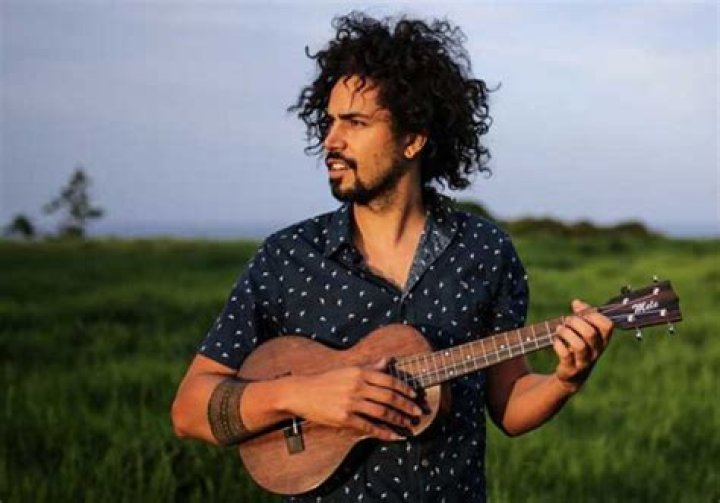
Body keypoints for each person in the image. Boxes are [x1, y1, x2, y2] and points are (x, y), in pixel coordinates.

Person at [171, 12, 613, 502]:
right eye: (329, 121)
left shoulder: (485, 251)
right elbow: (189, 410)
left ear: (413, 138)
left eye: (355, 123)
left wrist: (566, 379)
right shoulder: (287, 258)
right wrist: (302, 395)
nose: (330, 141)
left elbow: (509, 404)